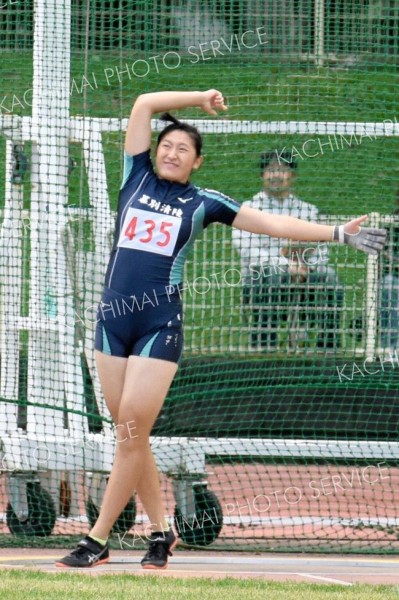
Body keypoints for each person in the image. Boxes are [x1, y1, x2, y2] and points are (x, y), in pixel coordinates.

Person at [55, 89, 386, 570]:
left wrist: (337, 233)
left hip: (157, 325)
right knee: (131, 435)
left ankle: (97, 539)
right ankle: (160, 533)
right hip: (111, 321)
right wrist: (198, 99)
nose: (171, 152)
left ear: (197, 163)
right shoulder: (134, 177)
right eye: (166, 145)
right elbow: (145, 102)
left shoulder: (203, 202)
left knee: (130, 430)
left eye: (182, 149)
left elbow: (271, 223)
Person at [232, 151, 343, 350]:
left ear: (293, 176)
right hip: (263, 279)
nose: (276, 175)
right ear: (262, 176)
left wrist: (305, 266)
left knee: (329, 276)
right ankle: (264, 345)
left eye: (283, 170)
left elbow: (322, 249)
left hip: (305, 276)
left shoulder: (308, 210)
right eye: (271, 170)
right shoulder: (248, 209)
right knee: (274, 273)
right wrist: (286, 265)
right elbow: (246, 249)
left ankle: (328, 347)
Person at [380, 196, 399, 350]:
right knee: (389, 284)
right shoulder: (392, 221)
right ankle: (390, 349)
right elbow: (385, 254)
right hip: (395, 276)